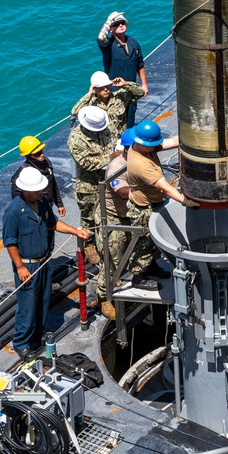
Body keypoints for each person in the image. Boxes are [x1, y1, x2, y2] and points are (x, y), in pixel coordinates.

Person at [2, 167, 89, 359]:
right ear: (25, 190)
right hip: (28, 266)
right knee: (28, 305)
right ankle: (22, 342)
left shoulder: (41, 203)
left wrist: (75, 231)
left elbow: (54, 223)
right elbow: (10, 242)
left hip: (44, 262)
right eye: (38, 190)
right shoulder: (14, 211)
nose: (42, 192)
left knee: (43, 301)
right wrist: (20, 267)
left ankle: (37, 335)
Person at [126, 120, 199, 290]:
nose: (156, 146)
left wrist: (193, 134)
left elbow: (171, 142)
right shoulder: (141, 165)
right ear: (145, 145)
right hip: (143, 210)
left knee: (153, 245)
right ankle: (138, 277)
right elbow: (165, 187)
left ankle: (151, 267)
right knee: (144, 245)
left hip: (153, 203)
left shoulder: (141, 147)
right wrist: (185, 201)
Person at [95, 128, 136, 320]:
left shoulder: (139, 160)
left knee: (130, 254)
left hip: (130, 215)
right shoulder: (116, 167)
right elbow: (122, 191)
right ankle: (104, 296)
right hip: (113, 218)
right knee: (111, 260)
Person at [67, 105, 116, 263]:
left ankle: (109, 241)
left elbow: (115, 141)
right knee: (89, 217)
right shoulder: (75, 139)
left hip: (110, 179)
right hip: (90, 185)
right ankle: (89, 244)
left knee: (110, 212)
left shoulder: (108, 128)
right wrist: (113, 158)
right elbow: (86, 163)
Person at [97, 11, 148, 128]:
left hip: (131, 89)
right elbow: (101, 37)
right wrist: (109, 20)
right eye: (116, 24)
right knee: (117, 122)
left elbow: (140, 64)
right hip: (116, 92)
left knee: (130, 118)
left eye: (122, 23)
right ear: (111, 29)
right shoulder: (108, 46)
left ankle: (128, 143)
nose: (120, 25)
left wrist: (144, 84)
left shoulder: (133, 42)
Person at [71, 71, 145, 140]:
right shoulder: (90, 105)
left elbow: (140, 92)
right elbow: (75, 113)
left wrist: (125, 84)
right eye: (101, 87)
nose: (105, 89)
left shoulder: (119, 98)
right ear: (95, 89)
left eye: (107, 86)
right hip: (104, 145)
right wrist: (89, 94)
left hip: (120, 141)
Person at [11, 136, 66, 217]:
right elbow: (17, 198)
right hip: (35, 210)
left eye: (41, 151)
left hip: (48, 205)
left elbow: (52, 183)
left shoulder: (46, 162)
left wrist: (59, 204)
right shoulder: (23, 174)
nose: (42, 155)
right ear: (29, 156)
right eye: (37, 154)